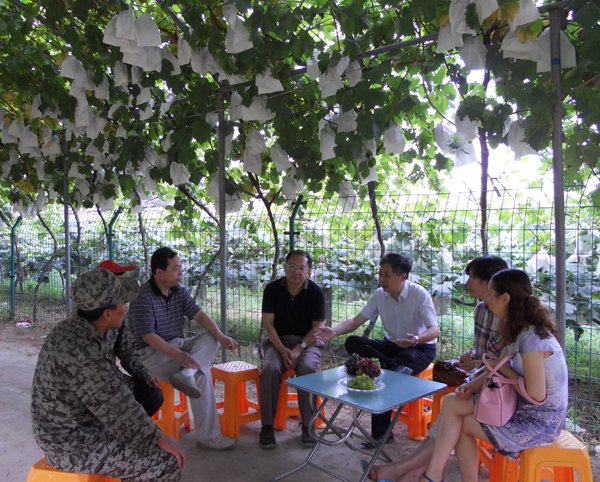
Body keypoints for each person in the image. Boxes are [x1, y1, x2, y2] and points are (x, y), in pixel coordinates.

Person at [362, 255, 508, 482]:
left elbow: (506, 366)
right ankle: (418, 473)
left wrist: (479, 368)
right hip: (484, 380)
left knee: (451, 410)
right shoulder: (481, 309)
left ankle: (408, 471)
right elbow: (482, 352)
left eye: (471, 277)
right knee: (451, 412)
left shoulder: (515, 318)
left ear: (489, 282)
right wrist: (472, 357)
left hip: (501, 391)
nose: (466, 282)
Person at [31, 269, 184, 481]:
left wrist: (143, 375)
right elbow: (116, 404)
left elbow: (115, 390)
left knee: (147, 400)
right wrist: (156, 437)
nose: (126, 307)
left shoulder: (79, 327)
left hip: (83, 422)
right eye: (123, 303)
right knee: (166, 461)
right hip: (70, 444)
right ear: (107, 314)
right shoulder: (81, 349)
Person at [419, 269, 568, 482]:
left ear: (505, 298)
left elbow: (536, 394)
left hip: (538, 423)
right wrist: (470, 387)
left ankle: (432, 475)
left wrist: (502, 369)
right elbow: (494, 369)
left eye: (490, 295)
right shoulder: (519, 330)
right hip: (519, 406)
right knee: (452, 402)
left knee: (461, 424)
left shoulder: (531, 339)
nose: (487, 301)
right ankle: (433, 474)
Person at [319, 252, 439, 448]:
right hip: (392, 346)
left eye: (387, 275)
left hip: (419, 348)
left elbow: (434, 330)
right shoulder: (379, 295)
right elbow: (356, 321)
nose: (381, 279)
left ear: (402, 276)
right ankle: (393, 366)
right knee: (353, 342)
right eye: (381, 274)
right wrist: (334, 331)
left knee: (389, 373)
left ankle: (381, 434)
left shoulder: (419, 294)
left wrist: (416, 339)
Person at [129, 247, 238, 451]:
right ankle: (209, 435)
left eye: (180, 268)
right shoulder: (143, 297)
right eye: (175, 269)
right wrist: (179, 355)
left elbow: (200, 315)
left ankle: (187, 373)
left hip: (176, 346)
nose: (180, 273)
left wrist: (221, 336)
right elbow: (148, 337)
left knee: (212, 338)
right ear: (159, 272)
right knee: (202, 373)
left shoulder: (179, 291)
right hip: (148, 355)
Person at [259, 250, 326, 449]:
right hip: (277, 341)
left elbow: (318, 328)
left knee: (307, 369)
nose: (296, 271)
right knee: (270, 368)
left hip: (308, 343)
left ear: (309, 271)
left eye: (301, 268)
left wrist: (299, 348)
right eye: (292, 266)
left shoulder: (315, 292)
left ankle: (308, 426)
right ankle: (267, 426)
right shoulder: (272, 289)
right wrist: (281, 349)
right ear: (285, 267)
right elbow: (268, 324)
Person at [95, 259, 164, 417]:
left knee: (152, 396)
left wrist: (144, 374)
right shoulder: (87, 317)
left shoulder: (118, 313)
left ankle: (123, 429)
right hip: (88, 383)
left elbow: (127, 352)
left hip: (111, 377)